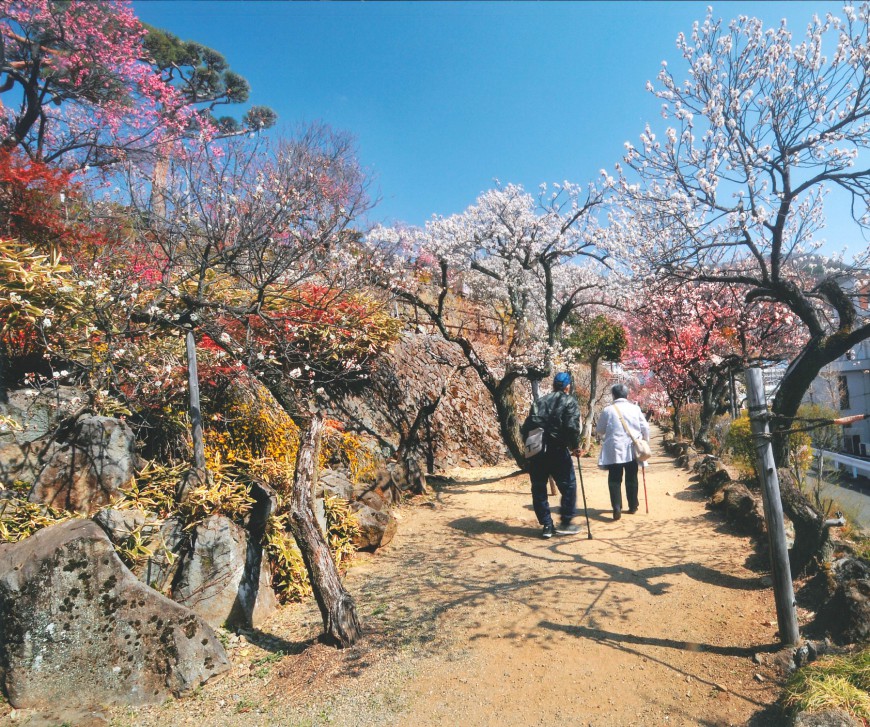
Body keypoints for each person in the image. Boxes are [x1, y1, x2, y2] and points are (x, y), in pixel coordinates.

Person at [520, 372, 582, 538]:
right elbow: (571, 427)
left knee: (539, 487)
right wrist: (575, 446)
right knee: (569, 485)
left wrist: (529, 446)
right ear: (567, 386)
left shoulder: (539, 402)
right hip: (558, 450)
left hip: (538, 450)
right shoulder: (570, 401)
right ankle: (566, 522)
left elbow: (525, 428)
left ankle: (547, 525)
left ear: (554, 385)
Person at [596, 383, 650, 520]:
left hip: (614, 449)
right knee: (631, 478)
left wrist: (606, 437)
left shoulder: (607, 410)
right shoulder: (635, 409)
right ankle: (633, 506)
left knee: (614, 479)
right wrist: (645, 441)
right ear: (627, 395)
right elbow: (645, 427)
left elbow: (600, 430)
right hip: (632, 449)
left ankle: (616, 507)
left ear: (613, 395)